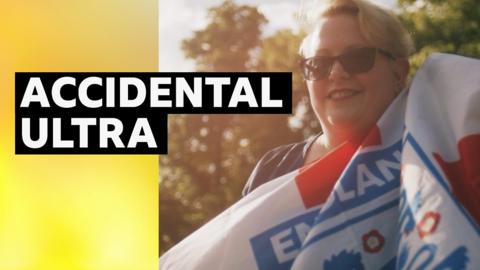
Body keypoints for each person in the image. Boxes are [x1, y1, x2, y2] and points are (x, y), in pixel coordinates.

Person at [243, 0, 413, 196]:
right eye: (319, 63)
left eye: (356, 58)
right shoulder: (271, 170)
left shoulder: (430, 156)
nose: (336, 73)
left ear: (399, 73)